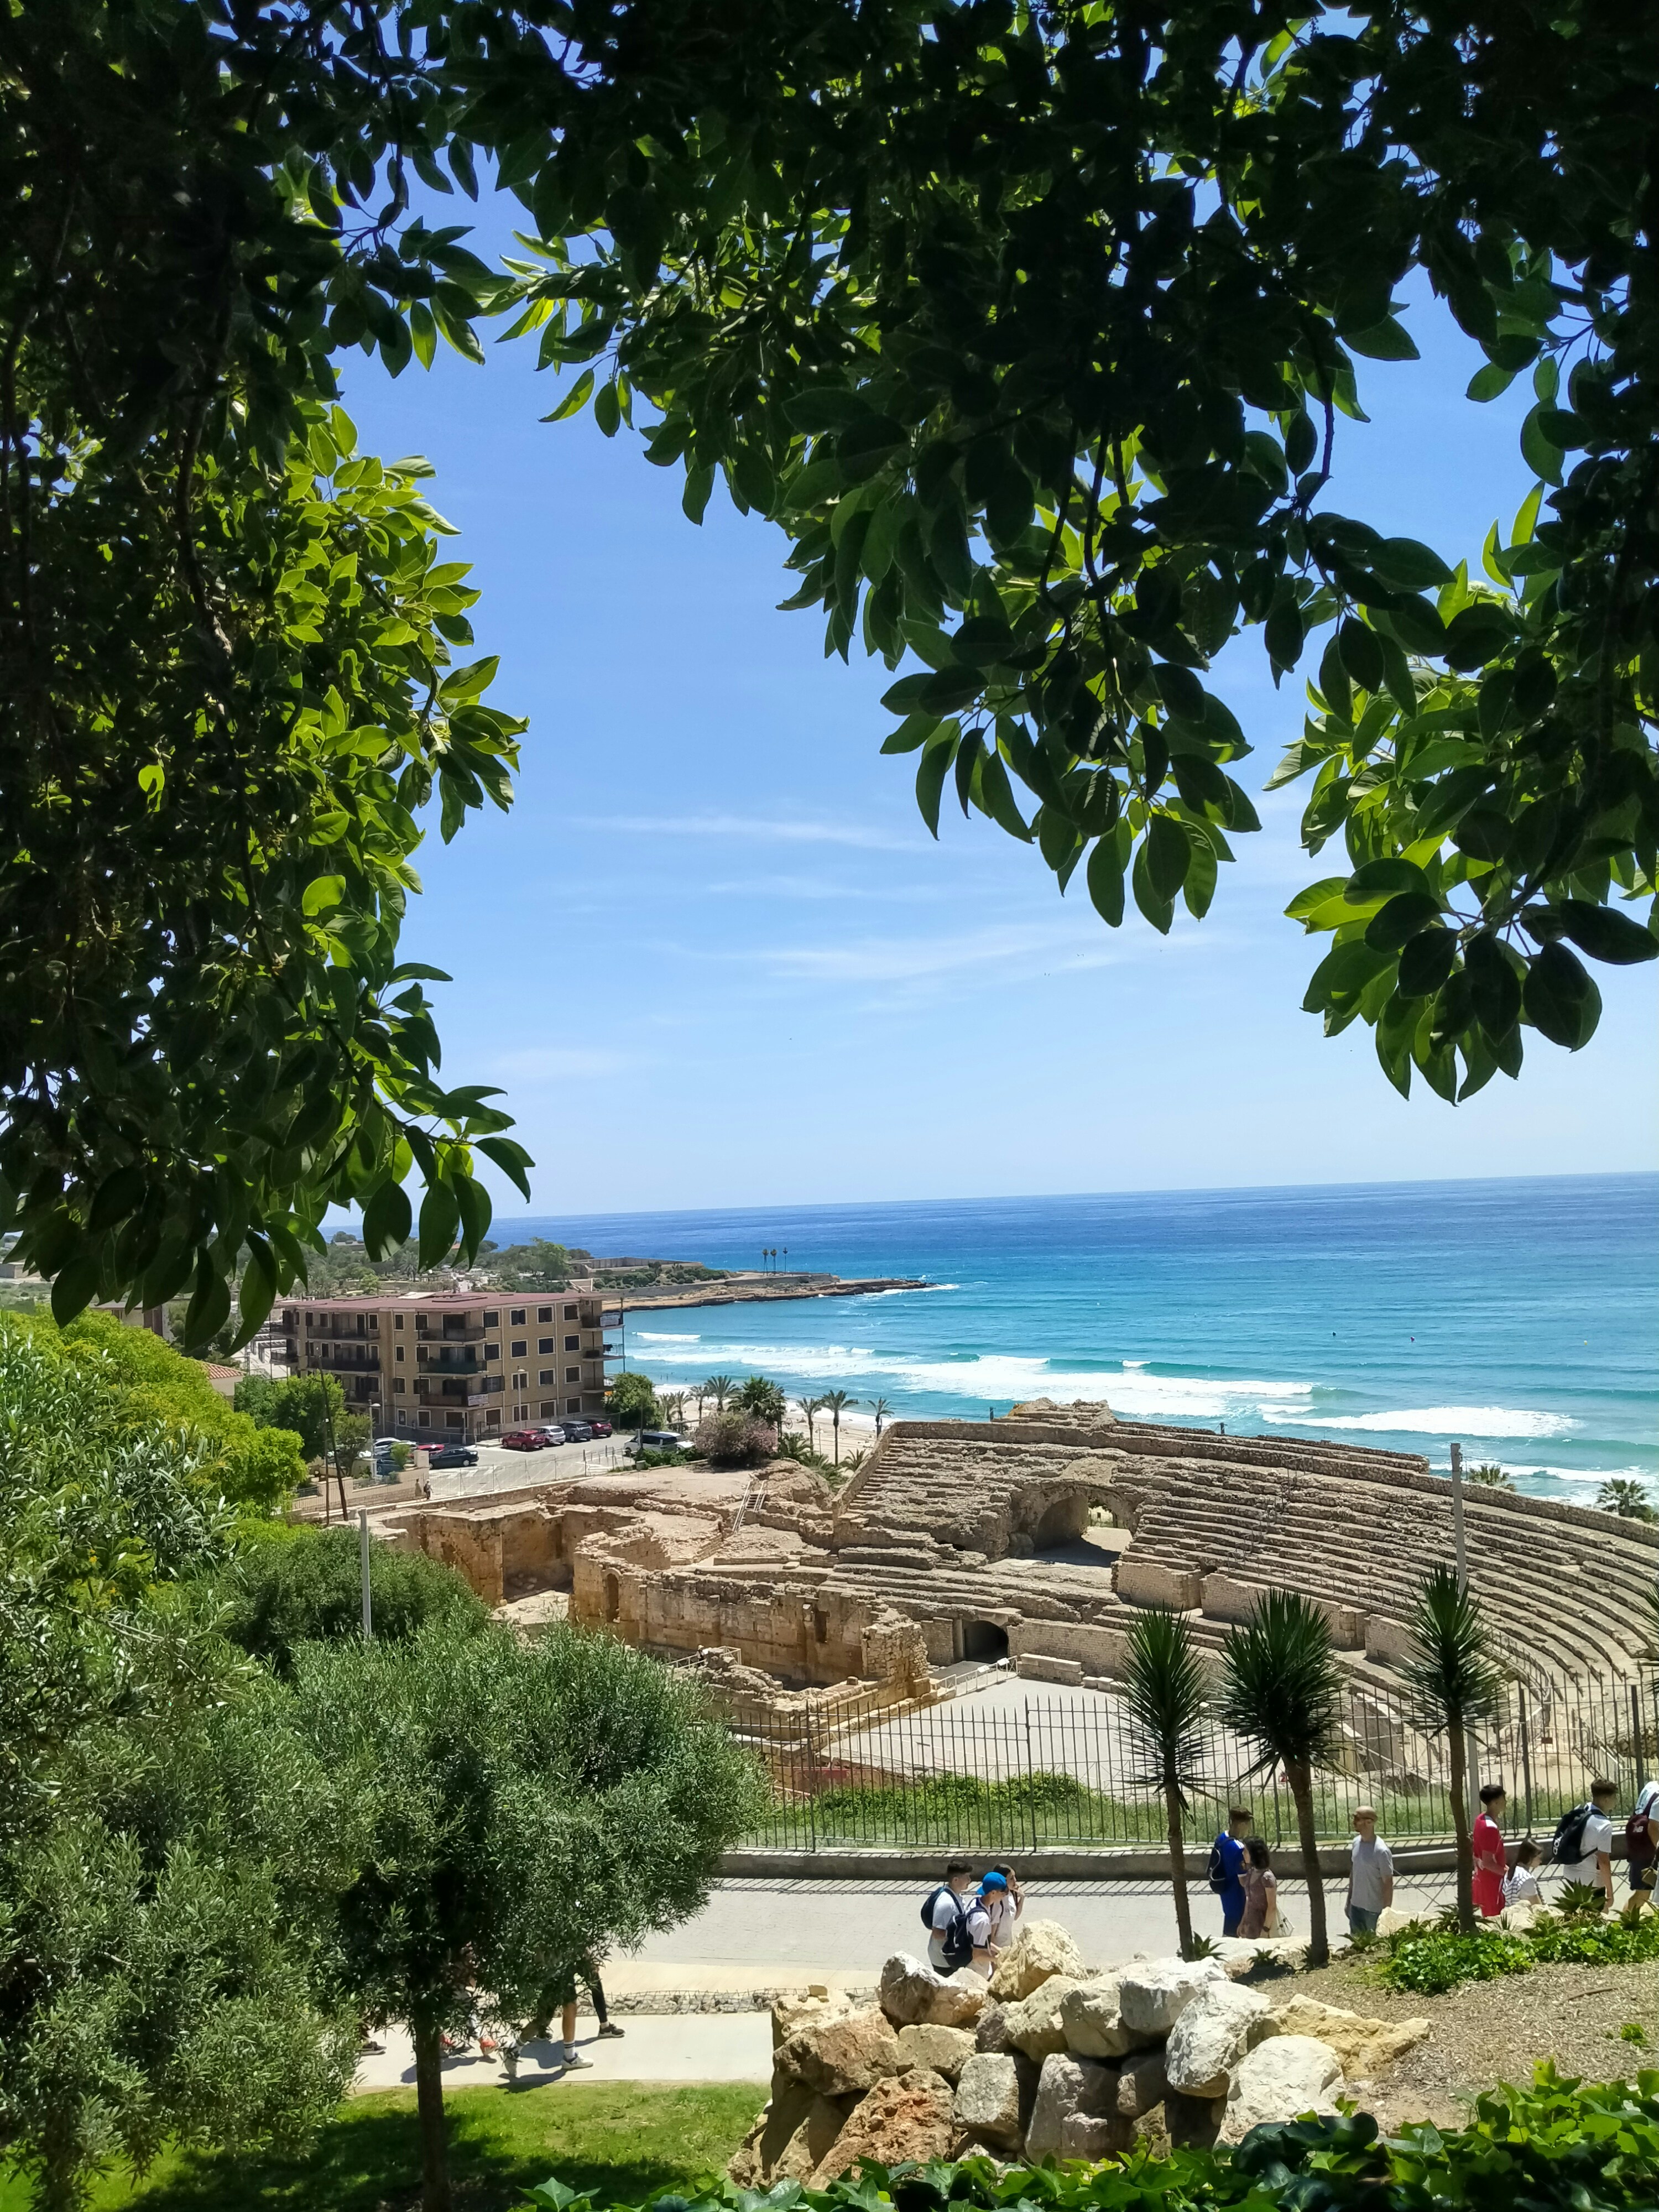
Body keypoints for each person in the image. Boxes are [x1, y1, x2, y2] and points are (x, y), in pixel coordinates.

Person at [519, 1954, 623, 2072]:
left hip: (570, 1954)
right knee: (559, 1995)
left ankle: (604, 2027)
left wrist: (590, 1959)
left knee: (593, 1979)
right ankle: (540, 2033)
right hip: (564, 1955)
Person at [922, 1859, 990, 1976]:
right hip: (944, 1960)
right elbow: (937, 1933)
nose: (970, 1880)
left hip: (949, 1956)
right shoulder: (946, 1903)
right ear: (955, 1880)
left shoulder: (956, 1896)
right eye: (967, 1877)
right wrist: (962, 1936)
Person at [1560, 1779, 1619, 1909]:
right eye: (1615, 1797)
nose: (1616, 1801)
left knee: (1577, 1916)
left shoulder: (1581, 1810)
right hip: (1591, 1881)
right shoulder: (1604, 1825)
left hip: (1570, 1874)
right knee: (1596, 1920)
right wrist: (1610, 1891)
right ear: (1606, 1800)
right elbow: (1603, 1861)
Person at [1345, 1807, 1394, 1936]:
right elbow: (1353, 1874)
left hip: (1374, 1911)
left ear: (1369, 1822)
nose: (1354, 1822)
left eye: (1357, 1818)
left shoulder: (1381, 1851)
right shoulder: (1356, 1843)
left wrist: (1386, 1913)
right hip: (1356, 1907)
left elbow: (1388, 1883)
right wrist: (1349, 1901)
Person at [1208, 1807, 1254, 1939]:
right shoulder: (1238, 1849)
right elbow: (1243, 1881)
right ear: (1242, 1824)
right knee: (1235, 1935)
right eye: (1247, 1825)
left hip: (1225, 1891)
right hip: (1237, 1898)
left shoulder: (1222, 1838)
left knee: (1229, 1925)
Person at [1472, 1783, 1507, 1919]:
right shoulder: (1490, 1828)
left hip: (1484, 1879)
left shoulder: (1480, 1819)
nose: (1505, 1802)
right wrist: (1508, 1875)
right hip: (1493, 1884)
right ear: (1495, 1802)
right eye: (1503, 1798)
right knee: (1496, 1920)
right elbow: (1488, 1862)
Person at [1238, 1837, 1278, 1938]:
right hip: (1251, 1924)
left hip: (1263, 1925)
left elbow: (1272, 1906)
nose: (1243, 1854)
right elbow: (1249, 1899)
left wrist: (1265, 1930)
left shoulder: (1267, 1878)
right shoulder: (1251, 1872)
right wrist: (1243, 1922)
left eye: (1246, 1852)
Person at [981, 1864, 1023, 1957]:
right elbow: (992, 1932)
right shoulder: (997, 1902)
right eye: (1011, 1878)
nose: (1015, 1880)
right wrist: (993, 1954)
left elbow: (1015, 1917)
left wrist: (1022, 1898)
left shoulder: (1012, 1895)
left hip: (1008, 1945)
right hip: (999, 1949)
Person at [1502, 1839, 1545, 1907]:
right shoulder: (1527, 1880)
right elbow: (1538, 1907)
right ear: (1530, 1857)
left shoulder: (1513, 1870)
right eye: (1539, 1858)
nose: (1541, 1861)